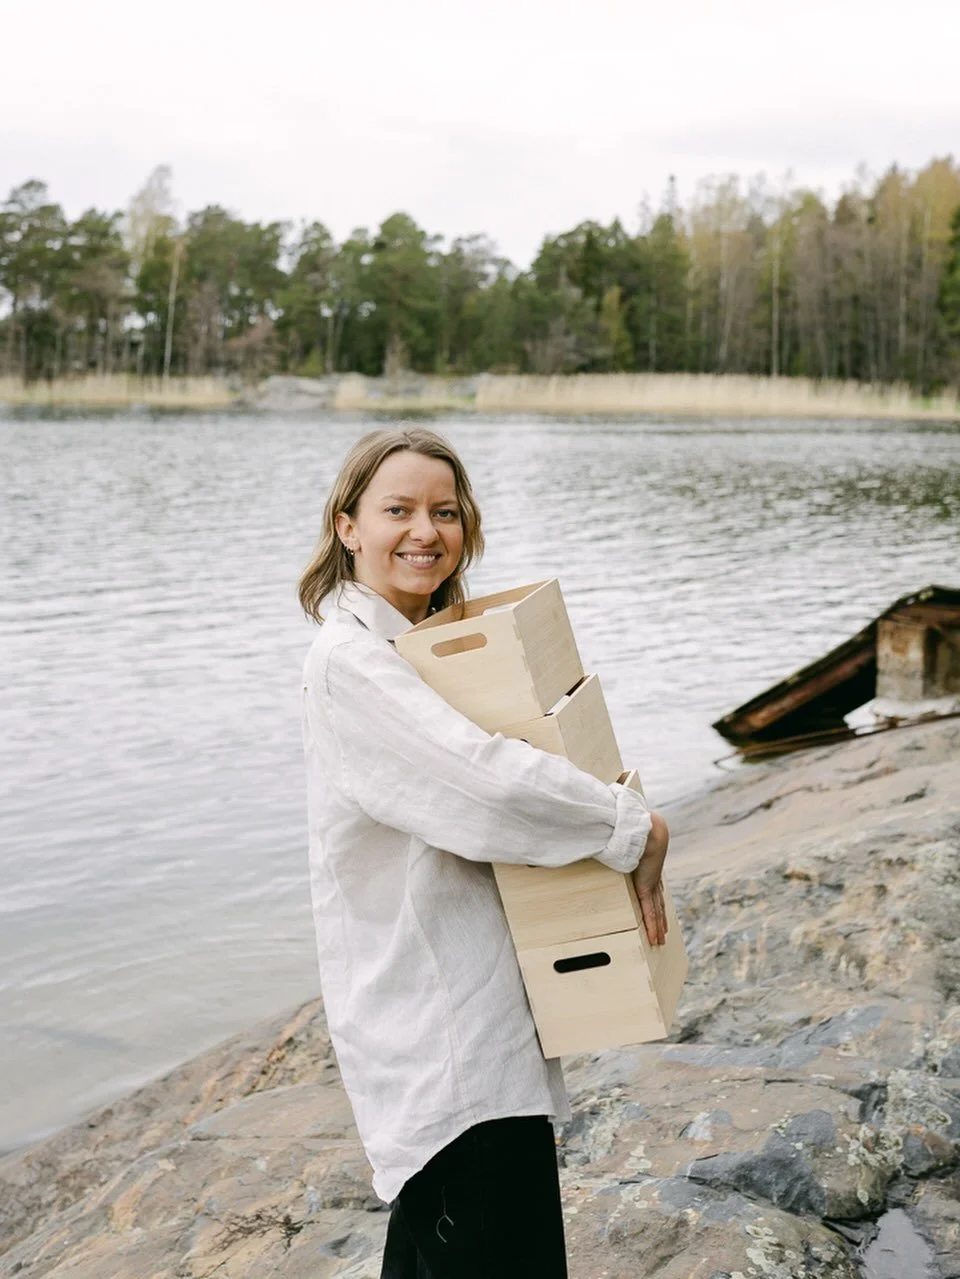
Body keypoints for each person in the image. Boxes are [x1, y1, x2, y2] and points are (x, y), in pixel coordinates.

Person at [298, 426, 670, 1279]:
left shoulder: (413, 650)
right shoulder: (353, 663)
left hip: (468, 1027)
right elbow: (489, 787)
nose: (425, 530)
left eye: (445, 510)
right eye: (398, 509)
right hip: (443, 1040)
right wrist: (631, 826)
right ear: (348, 525)